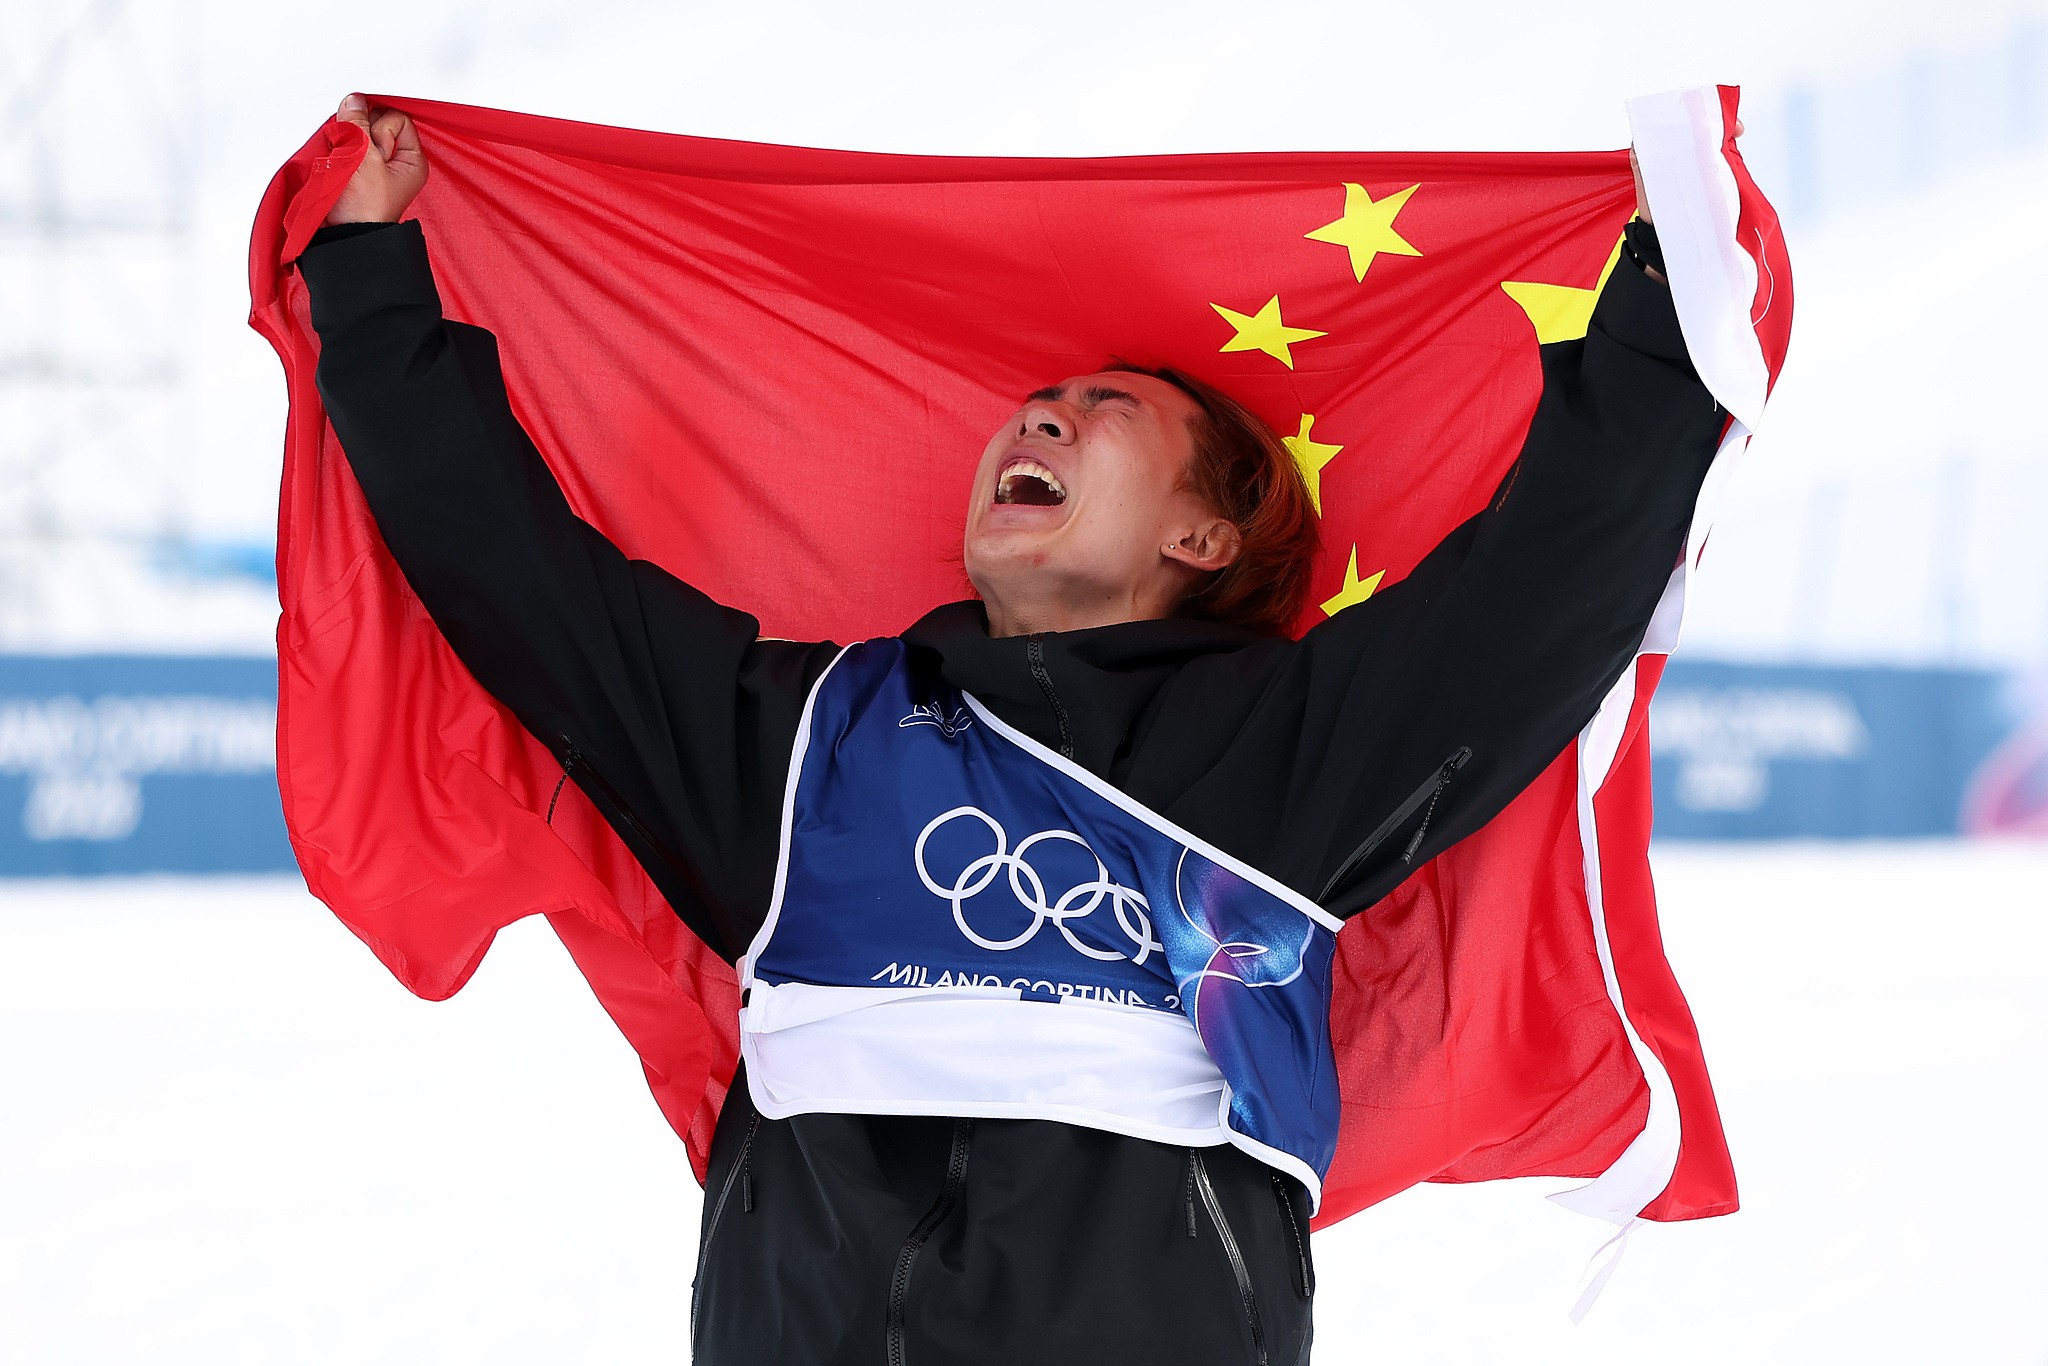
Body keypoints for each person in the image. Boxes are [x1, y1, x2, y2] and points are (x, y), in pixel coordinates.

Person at [301, 92, 1727, 1366]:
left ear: (1201, 534)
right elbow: (521, 578)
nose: (1037, 421)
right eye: (1034, 408)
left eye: (1102, 410)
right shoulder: (808, 743)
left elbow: (1543, 583)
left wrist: (1673, 286)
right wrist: (369, 274)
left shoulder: (1277, 755)